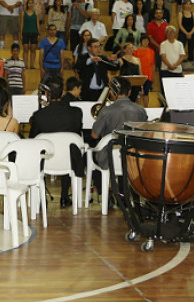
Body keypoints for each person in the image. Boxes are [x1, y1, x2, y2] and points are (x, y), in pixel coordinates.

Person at [29, 75, 84, 208]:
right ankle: (64, 196)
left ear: (46, 95)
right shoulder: (76, 113)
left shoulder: (38, 116)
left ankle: (42, 197)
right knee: (68, 148)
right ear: (63, 93)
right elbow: (77, 134)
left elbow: (32, 140)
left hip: (46, 162)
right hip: (69, 161)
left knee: (40, 150)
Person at [91, 77, 147, 169]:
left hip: (110, 159)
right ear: (129, 92)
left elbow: (94, 135)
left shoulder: (106, 111)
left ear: (111, 92)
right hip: (133, 158)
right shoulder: (141, 110)